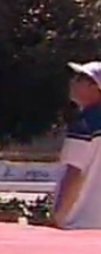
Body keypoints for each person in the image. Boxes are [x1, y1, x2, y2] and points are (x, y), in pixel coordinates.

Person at [53, 61, 101, 229]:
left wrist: (59, 216)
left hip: (79, 222)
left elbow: (75, 172)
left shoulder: (85, 123)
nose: (73, 82)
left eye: (81, 78)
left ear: (96, 87)